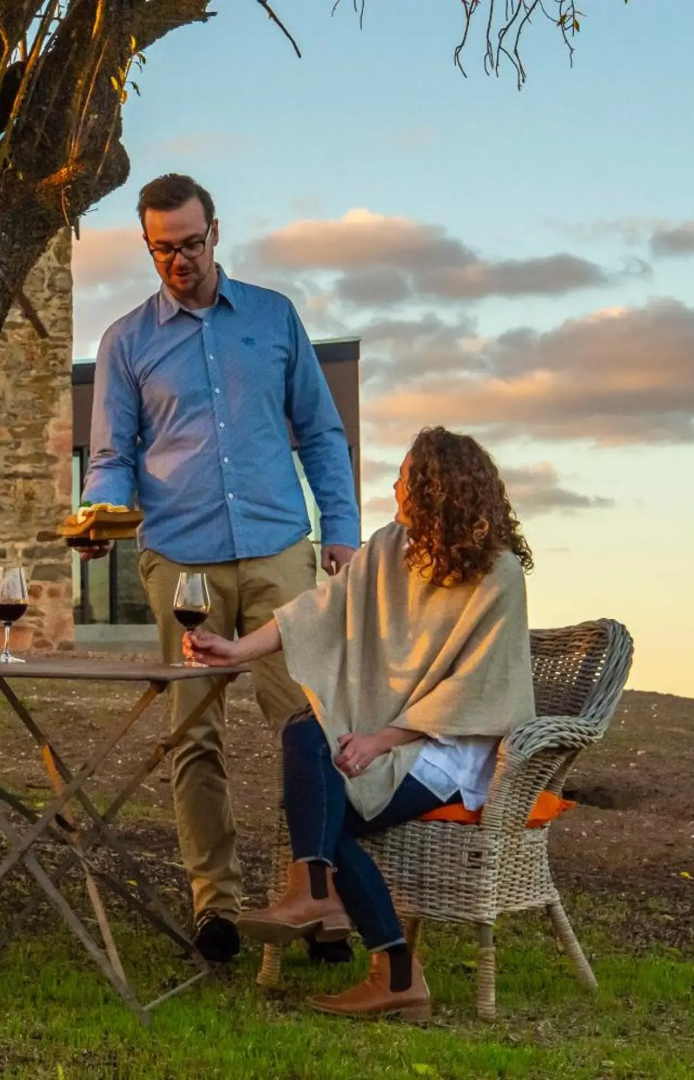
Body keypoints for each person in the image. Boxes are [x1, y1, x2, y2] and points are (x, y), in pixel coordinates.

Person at [80, 173, 362, 963]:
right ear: (147, 247)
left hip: (278, 548)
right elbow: (111, 455)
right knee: (193, 738)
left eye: (191, 243)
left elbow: (320, 431)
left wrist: (340, 527)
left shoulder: (273, 317)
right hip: (182, 561)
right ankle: (217, 907)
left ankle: (317, 898)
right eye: (162, 249)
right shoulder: (126, 341)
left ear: (215, 232)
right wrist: (101, 514)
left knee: (309, 724)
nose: (180, 260)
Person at [185, 427, 536, 1018]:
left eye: (405, 478)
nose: (395, 487)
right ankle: (329, 904)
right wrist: (237, 650)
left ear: (435, 489)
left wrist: (381, 740)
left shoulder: (498, 575)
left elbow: (476, 690)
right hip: (379, 731)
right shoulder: (389, 547)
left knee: (325, 824)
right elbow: (316, 611)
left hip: (445, 748)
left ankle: (370, 946)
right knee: (306, 728)